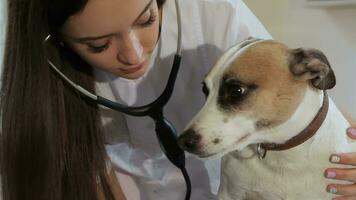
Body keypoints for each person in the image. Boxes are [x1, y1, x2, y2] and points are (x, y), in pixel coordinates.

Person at [0, 0, 355, 199]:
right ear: (54, 40)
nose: (133, 54)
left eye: (147, 20)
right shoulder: (39, 91)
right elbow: (84, 174)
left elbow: (292, 96)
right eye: (99, 45)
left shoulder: (216, 16)